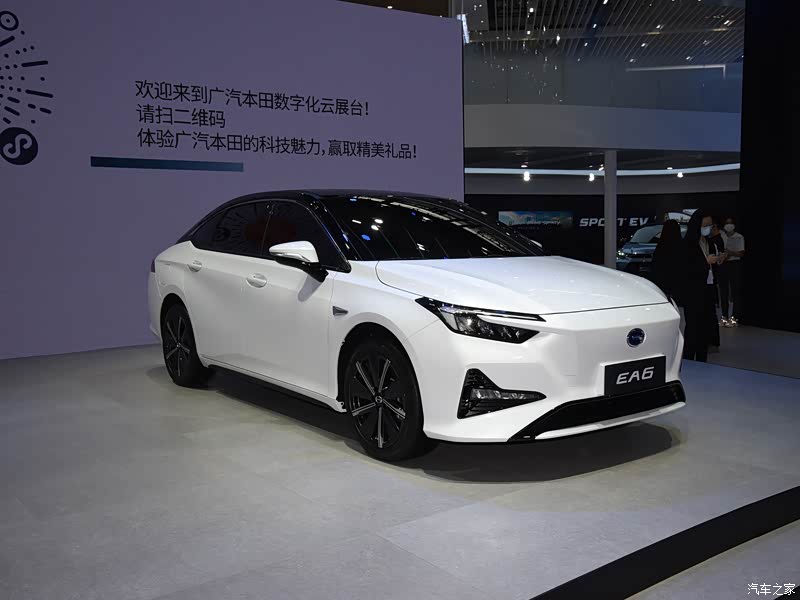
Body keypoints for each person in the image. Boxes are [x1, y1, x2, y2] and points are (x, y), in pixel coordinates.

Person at [682, 210, 725, 362]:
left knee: (705, 327)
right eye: (705, 225)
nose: (708, 228)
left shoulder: (709, 242)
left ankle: (702, 358)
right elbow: (686, 268)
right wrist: (705, 262)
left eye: (709, 225)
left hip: (708, 289)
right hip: (693, 291)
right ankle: (688, 358)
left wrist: (718, 260)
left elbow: (712, 265)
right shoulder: (688, 244)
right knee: (693, 326)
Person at [719, 216, 745, 326]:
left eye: (730, 223)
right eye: (726, 223)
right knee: (723, 291)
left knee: (735, 291)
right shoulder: (721, 236)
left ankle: (734, 318)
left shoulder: (739, 237)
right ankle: (724, 317)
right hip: (723, 264)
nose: (728, 225)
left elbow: (741, 253)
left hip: (734, 264)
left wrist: (730, 253)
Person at [651, 219, 684, 303]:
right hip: (678, 283)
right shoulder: (681, 246)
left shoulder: (661, 246)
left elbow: (656, 265)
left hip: (663, 283)